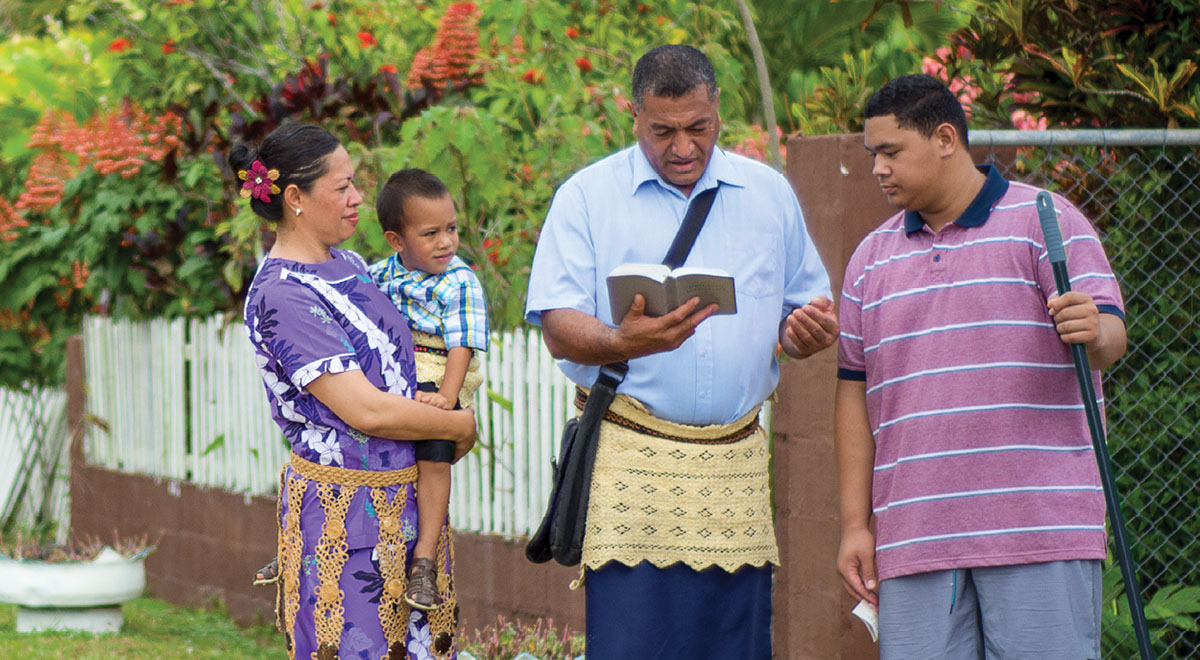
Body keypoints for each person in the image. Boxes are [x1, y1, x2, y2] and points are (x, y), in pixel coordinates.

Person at [524, 44, 838, 659]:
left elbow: (808, 308)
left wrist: (806, 334)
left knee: (734, 643)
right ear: (633, 115)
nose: (684, 147)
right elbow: (558, 323)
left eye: (699, 127)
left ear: (718, 109)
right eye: (662, 131)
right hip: (630, 460)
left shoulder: (767, 194)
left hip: (734, 466)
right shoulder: (587, 196)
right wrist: (619, 341)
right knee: (633, 641)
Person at [835, 73, 1127, 659]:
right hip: (915, 539)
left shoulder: (1045, 220)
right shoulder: (870, 259)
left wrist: (1092, 331)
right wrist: (854, 525)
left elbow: (1110, 337)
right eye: (873, 154)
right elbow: (852, 396)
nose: (878, 169)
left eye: (891, 151)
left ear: (945, 138)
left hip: (1039, 532)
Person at [233, 123, 476, 660]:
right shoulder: (283, 295)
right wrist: (458, 425)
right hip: (347, 516)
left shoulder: (351, 265)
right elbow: (364, 409)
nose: (358, 197)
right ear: (295, 198)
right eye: (342, 187)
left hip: (408, 505)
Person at [368, 168, 489, 611]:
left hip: (439, 373)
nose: (446, 243)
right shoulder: (378, 274)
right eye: (432, 233)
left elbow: (462, 345)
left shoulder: (460, 281)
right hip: (391, 374)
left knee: (434, 460)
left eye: (452, 229)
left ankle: (424, 561)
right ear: (397, 241)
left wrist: (446, 397)